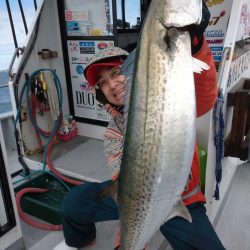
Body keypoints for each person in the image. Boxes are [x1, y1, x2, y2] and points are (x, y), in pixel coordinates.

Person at [54, 2, 225, 250]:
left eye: (115, 73)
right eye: (103, 82)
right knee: (74, 203)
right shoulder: (113, 133)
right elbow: (128, 188)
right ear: (101, 93)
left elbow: (206, 96)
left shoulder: (169, 96)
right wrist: (127, 242)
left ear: (134, 69)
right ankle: (82, 240)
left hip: (182, 198)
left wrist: (196, 44)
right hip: (139, 197)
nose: (112, 84)